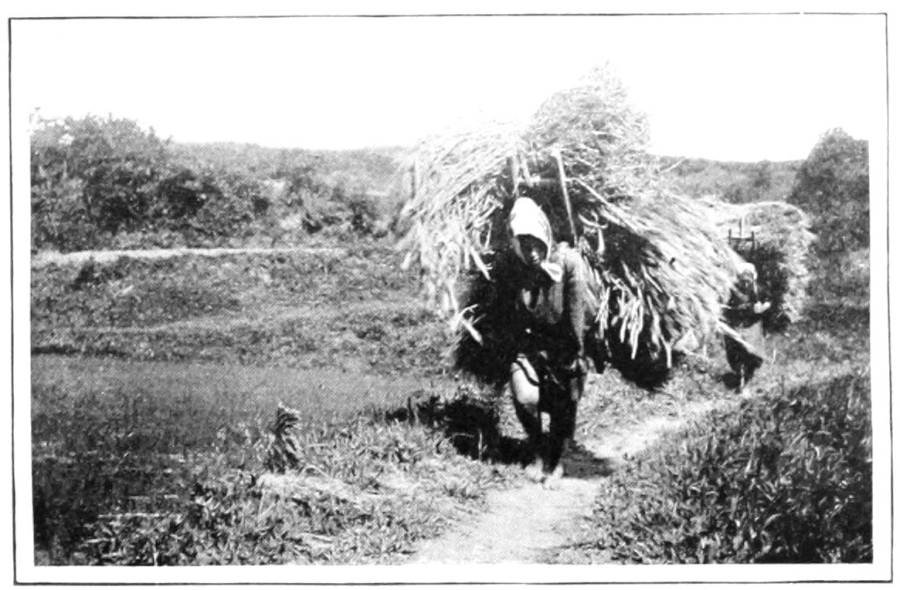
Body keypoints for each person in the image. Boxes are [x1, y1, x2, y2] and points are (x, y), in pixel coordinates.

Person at [505, 197, 602, 484]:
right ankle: (537, 451)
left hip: (564, 344)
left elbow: (576, 310)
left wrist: (577, 352)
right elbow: (510, 311)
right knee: (525, 398)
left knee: (563, 407)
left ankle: (556, 461)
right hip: (530, 345)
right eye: (524, 245)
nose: (532, 252)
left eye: (536, 244)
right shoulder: (515, 266)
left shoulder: (569, 262)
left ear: (545, 236)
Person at [724, 262, 771, 391]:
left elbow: (768, 301)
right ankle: (741, 375)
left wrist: (763, 308)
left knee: (752, 352)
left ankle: (747, 376)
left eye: (748, 277)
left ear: (753, 277)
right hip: (736, 324)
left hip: (752, 325)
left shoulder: (759, 289)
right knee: (736, 352)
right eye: (743, 278)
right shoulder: (732, 290)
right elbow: (726, 306)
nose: (745, 282)